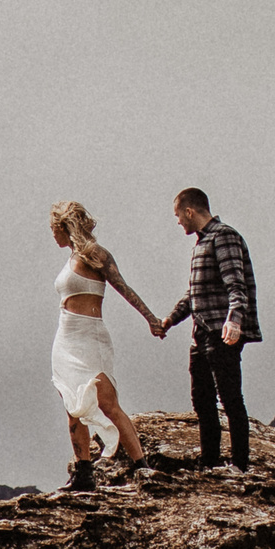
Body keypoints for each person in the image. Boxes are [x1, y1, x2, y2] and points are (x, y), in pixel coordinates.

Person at [48, 201, 159, 488]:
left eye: (52, 228)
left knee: (108, 402)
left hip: (91, 336)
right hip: (66, 338)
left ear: (63, 226)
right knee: (72, 404)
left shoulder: (94, 254)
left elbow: (123, 287)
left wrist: (151, 318)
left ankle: (142, 467)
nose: (52, 235)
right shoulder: (70, 257)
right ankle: (84, 473)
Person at [148, 188, 260, 470]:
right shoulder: (200, 244)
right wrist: (169, 320)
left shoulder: (224, 236)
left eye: (178, 216)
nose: (178, 223)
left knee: (231, 398)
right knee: (202, 399)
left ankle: (239, 465)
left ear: (189, 211)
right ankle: (210, 461)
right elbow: (194, 294)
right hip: (201, 334)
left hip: (221, 331)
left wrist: (234, 321)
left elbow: (237, 284)